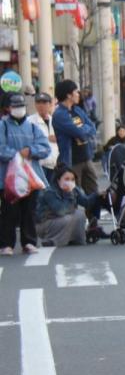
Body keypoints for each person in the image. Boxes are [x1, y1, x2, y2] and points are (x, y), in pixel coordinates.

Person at [0, 93, 51, 254]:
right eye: (15, 106)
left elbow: (45, 148)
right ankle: (6, 244)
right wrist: (16, 155)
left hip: (30, 177)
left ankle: (29, 242)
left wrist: (30, 151)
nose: (19, 109)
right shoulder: (3, 126)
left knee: (29, 211)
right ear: (8, 108)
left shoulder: (33, 127)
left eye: (21, 106)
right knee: (9, 211)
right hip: (8, 177)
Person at [52, 80, 99, 195]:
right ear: (69, 95)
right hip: (71, 162)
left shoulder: (77, 110)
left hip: (86, 157)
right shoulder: (59, 114)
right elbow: (79, 132)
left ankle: (94, 208)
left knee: (94, 193)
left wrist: (83, 130)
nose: (79, 94)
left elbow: (93, 128)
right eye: (76, 92)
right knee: (73, 195)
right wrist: (83, 130)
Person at [36, 165, 99, 246]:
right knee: (67, 218)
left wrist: (97, 195)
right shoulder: (50, 192)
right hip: (45, 223)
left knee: (80, 214)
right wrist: (68, 194)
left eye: (72, 179)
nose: (70, 182)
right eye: (66, 179)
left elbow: (85, 202)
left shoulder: (74, 189)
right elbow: (61, 211)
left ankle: (75, 239)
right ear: (58, 180)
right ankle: (52, 241)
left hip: (59, 220)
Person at [27, 92, 58, 179]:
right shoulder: (29, 121)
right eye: (38, 102)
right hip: (39, 164)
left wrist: (58, 138)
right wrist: (47, 138)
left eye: (44, 102)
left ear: (50, 104)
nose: (41, 105)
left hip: (55, 164)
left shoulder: (55, 120)